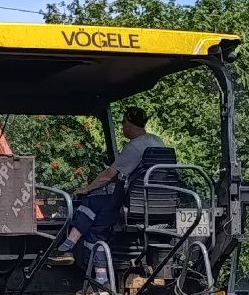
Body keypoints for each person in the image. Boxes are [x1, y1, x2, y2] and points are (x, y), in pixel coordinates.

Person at [50, 106, 164, 263]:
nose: (122, 127)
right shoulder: (157, 141)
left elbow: (108, 176)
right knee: (101, 211)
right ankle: (72, 248)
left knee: (91, 201)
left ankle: (68, 247)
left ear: (128, 124)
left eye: (122, 123)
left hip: (135, 203)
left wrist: (87, 188)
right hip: (159, 201)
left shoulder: (134, 146)